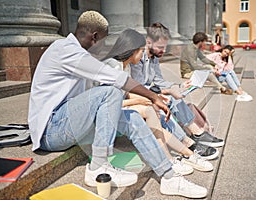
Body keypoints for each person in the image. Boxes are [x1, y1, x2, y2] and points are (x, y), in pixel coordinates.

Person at [28, 11, 207, 198]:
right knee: (111, 91)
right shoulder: (64, 50)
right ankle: (98, 166)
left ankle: (169, 177)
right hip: (52, 131)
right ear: (95, 36)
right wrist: (153, 97)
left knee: (133, 118)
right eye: (103, 40)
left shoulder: (80, 54)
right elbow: (114, 78)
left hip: (71, 122)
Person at [94, 28, 213, 173]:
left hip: (121, 106)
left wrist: (152, 99)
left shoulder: (125, 67)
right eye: (141, 51)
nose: (143, 54)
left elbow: (126, 95)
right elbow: (107, 103)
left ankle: (188, 154)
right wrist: (144, 101)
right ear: (132, 50)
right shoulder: (112, 66)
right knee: (150, 110)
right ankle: (172, 159)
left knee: (155, 108)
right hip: (106, 114)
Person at [130, 23, 224, 152]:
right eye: (160, 47)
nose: (163, 51)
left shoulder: (155, 57)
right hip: (138, 95)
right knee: (167, 100)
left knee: (175, 97)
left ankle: (196, 133)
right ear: (149, 42)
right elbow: (138, 87)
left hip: (149, 92)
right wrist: (165, 92)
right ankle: (185, 142)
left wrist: (180, 86)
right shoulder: (137, 57)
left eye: (164, 47)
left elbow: (158, 80)